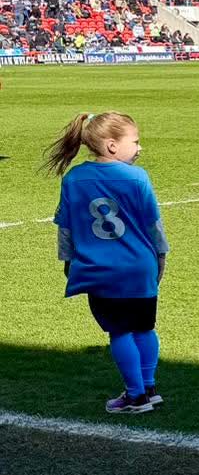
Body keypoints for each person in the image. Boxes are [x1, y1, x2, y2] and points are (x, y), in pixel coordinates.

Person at [46, 111, 169, 414]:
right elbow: (154, 225)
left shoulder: (74, 178)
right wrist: (161, 256)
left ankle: (135, 395)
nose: (140, 148)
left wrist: (67, 261)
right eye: (135, 142)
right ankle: (149, 388)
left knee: (119, 331)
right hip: (140, 267)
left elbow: (66, 228)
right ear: (112, 145)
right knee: (144, 328)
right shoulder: (137, 177)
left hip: (101, 270)